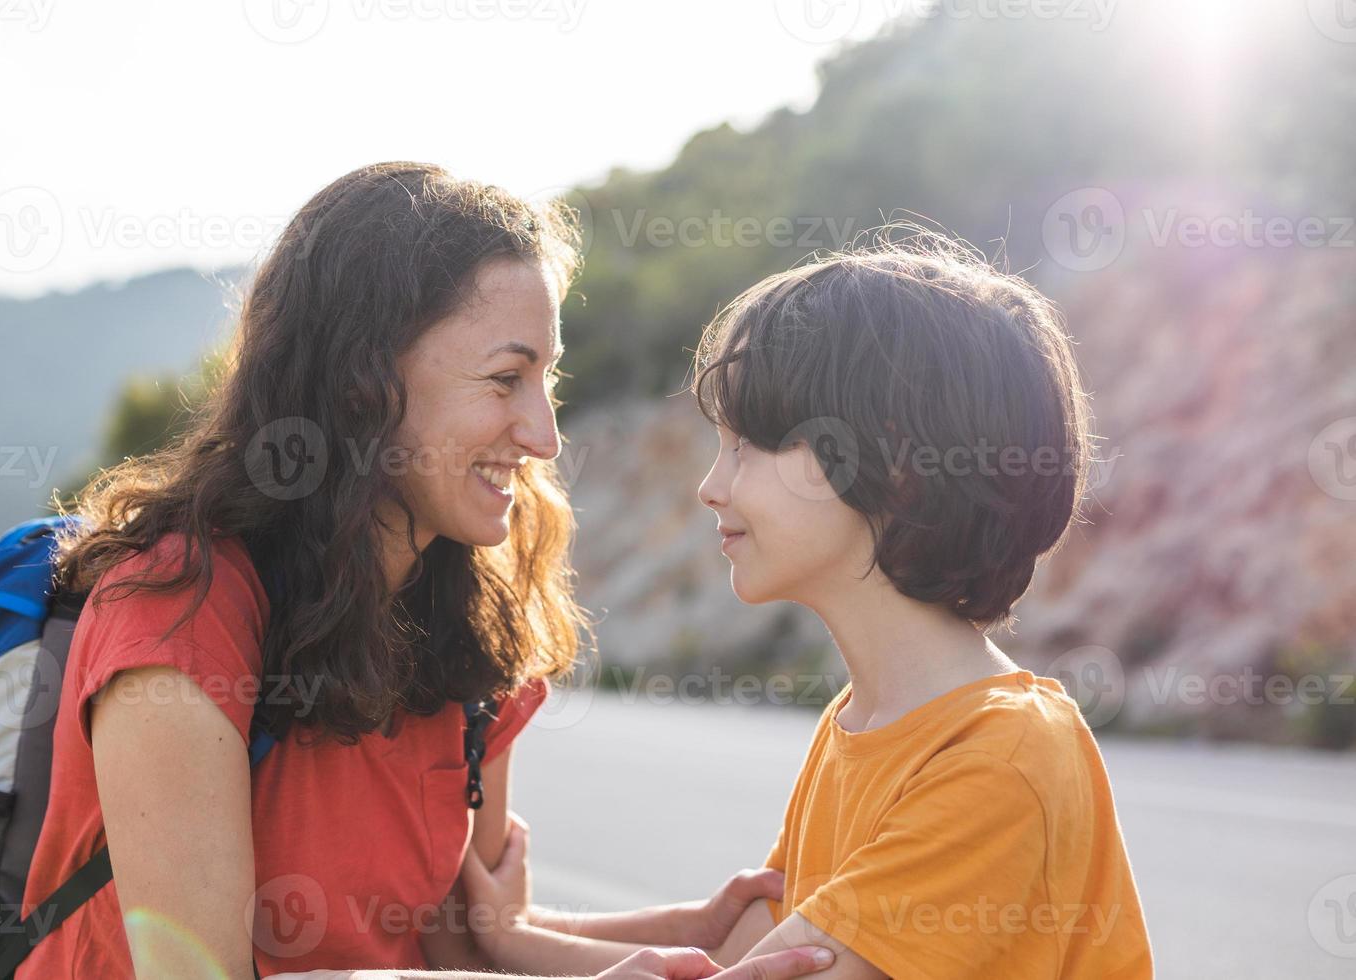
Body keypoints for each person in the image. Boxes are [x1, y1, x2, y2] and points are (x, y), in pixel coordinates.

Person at [17, 162, 824, 980]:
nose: (544, 435)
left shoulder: (467, 615)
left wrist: (695, 935)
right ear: (361, 384)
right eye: (506, 379)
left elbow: (457, 944)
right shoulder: (179, 614)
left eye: (548, 378)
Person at [460, 232, 1156, 978]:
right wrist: (508, 940)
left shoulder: (1000, 759)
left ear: (891, 466)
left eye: (746, 445)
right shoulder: (861, 723)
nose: (710, 486)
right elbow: (733, 958)